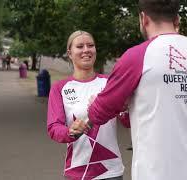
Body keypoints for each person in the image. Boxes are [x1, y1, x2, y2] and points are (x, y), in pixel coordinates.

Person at [87, 0, 187, 179]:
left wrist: (99, 104)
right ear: (177, 19)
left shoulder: (137, 56)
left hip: (156, 173)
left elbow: (97, 114)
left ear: (143, 18)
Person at [47, 30, 128, 180]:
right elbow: (54, 128)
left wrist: (124, 109)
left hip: (111, 171)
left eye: (90, 45)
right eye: (80, 46)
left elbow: (127, 121)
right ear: (69, 53)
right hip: (77, 172)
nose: (86, 50)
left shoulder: (110, 83)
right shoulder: (60, 88)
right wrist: (70, 131)